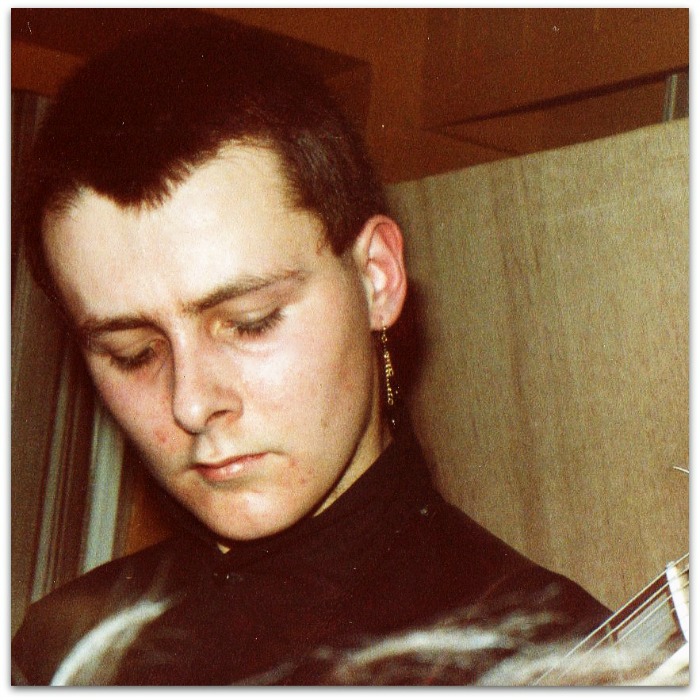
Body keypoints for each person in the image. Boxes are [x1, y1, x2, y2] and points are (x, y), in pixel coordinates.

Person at [12, 18, 609, 686]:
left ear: (376, 278)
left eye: (251, 322)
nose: (191, 404)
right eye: (132, 353)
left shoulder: (558, 661)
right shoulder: (61, 648)